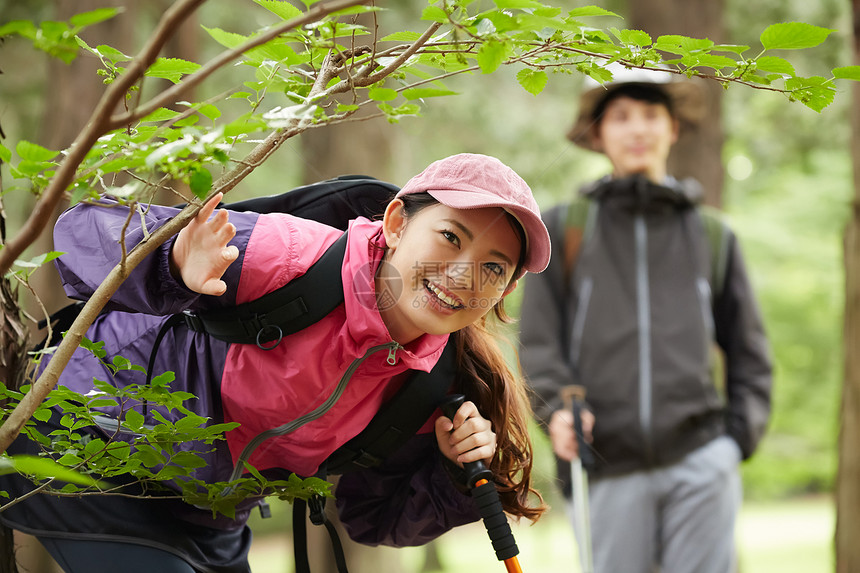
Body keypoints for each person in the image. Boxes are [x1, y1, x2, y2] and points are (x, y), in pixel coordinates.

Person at [0, 153, 551, 573]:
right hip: (85, 440)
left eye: (493, 267)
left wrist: (453, 472)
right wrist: (172, 263)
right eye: (450, 237)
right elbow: (82, 233)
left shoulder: (429, 385)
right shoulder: (289, 256)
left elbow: (374, 518)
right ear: (397, 222)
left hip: (208, 516)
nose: (461, 274)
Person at [518, 65, 773, 573]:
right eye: (622, 116)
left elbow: (749, 350)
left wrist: (735, 441)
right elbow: (540, 345)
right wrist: (558, 415)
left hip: (703, 458)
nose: (639, 129)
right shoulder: (563, 228)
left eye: (652, 115)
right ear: (598, 133)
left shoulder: (712, 234)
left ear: (673, 128)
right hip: (604, 465)